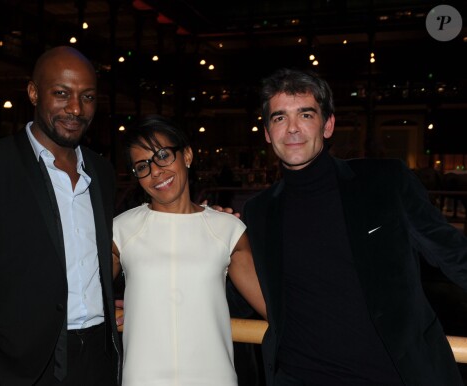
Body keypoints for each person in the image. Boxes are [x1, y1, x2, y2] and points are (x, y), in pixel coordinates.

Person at [243, 67, 467, 386]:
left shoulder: (384, 181)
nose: (292, 128)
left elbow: (454, 255)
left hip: (391, 376)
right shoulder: (259, 211)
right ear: (267, 132)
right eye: (279, 118)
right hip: (298, 376)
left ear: (328, 124)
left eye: (305, 114)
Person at [0, 46, 121, 386]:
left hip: (98, 363)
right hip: (19, 369)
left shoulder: (102, 171)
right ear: (33, 92)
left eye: (88, 97)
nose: (76, 109)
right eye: (62, 94)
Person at [112, 115, 267, 386]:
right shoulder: (121, 230)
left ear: (186, 155)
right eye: (142, 166)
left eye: (162, 155)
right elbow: (80, 298)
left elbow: (274, 308)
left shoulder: (228, 230)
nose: (156, 171)